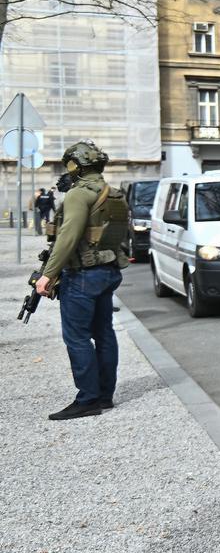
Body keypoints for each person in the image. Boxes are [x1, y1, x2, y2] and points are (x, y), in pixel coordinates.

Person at [35, 141, 129, 420]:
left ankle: (88, 399)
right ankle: (104, 395)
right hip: (107, 271)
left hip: (83, 275)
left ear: (75, 166)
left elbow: (68, 237)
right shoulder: (112, 193)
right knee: (104, 334)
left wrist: (47, 275)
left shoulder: (78, 195)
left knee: (76, 338)